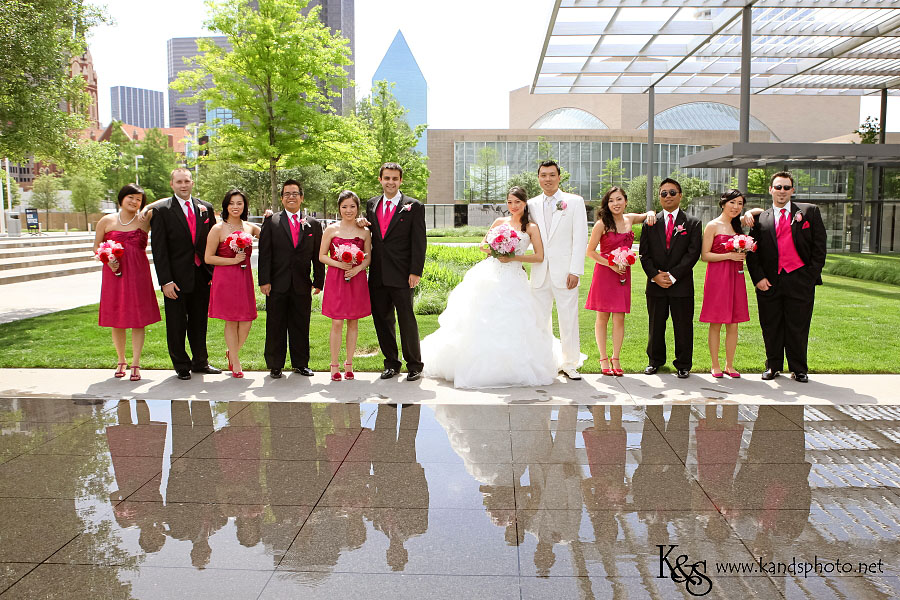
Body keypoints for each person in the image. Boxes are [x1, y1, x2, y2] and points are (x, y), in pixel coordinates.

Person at [422, 186, 560, 388]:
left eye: (517, 202)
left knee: (515, 321)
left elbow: (539, 256)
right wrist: (496, 249)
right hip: (490, 274)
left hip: (514, 277)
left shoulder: (531, 227)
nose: (513, 206)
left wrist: (513, 257)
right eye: (510, 202)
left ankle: (511, 368)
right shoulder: (499, 222)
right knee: (479, 318)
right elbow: (482, 245)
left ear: (525, 203)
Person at [745, 172, 827, 383]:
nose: (782, 191)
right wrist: (758, 278)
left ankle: (799, 369)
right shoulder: (760, 219)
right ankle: (772, 366)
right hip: (769, 282)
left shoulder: (809, 212)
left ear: (792, 190)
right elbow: (752, 252)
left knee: (798, 326)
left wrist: (810, 277)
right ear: (771, 190)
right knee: (770, 325)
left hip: (800, 280)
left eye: (786, 187)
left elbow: (819, 247)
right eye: (778, 187)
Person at [147, 168, 221, 380]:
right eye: (179, 181)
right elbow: (159, 250)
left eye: (187, 181)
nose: (183, 185)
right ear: (172, 184)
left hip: (202, 276)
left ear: (192, 183)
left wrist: (212, 274)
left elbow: (212, 243)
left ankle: (200, 362)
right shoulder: (162, 210)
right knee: (176, 324)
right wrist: (166, 281)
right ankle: (181, 365)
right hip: (175, 279)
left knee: (199, 323)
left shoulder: (205, 208)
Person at [363, 162, 426, 381]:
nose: (391, 182)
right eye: (387, 178)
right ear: (380, 180)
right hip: (378, 273)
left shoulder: (414, 206)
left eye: (395, 178)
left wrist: (415, 271)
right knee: (382, 320)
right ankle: (391, 363)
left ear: (400, 180)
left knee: (407, 320)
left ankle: (414, 365)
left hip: (402, 274)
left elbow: (419, 241)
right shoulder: (371, 204)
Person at [527, 160, 589, 380]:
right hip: (539, 271)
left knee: (568, 319)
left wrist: (575, 271)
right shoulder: (531, 204)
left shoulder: (574, 202)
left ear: (559, 177)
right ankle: (543, 362)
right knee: (539, 320)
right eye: (543, 175)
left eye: (552, 175)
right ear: (538, 178)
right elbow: (526, 234)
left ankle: (570, 363)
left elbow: (580, 238)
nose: (548, 179)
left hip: (565, 272)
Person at [257, 179, 325, 379]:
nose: (291, 197)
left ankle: (301, 364)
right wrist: (264, 281)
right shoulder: (272, 222)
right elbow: (265, 254)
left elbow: (317, 255)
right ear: (282, 198)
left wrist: (318, 280)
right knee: (275, 324)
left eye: (295, 193)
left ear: (301, 197)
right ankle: (275, 365)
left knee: (301, 325)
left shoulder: (313, 224)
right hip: (276, 283)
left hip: (302, 283)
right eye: (287, 194)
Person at [585, 186, 655, 376]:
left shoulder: (629, 219)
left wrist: (650, 213)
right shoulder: (602, 224)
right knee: (602, 317)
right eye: (611, 200)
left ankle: (616, 358)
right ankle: (603, 358)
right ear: (607, 204)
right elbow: (590, 252)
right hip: (605, 272)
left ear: (625, 201)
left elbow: (647, 214)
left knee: (619, 317)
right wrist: (611, 264)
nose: (615, 203)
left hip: (623, 274)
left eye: (619, 199)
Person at [94, 183, 161, 381]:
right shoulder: (106, 220)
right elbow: (96, 246)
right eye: (130, 197)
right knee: (117, 319)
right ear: (121, 198)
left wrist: (147, 208)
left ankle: (136, 363)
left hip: (138, 274)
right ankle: (121, 360)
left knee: (138, 319)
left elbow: (168, 201)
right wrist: (107, 259)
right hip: (114, 274)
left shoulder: (144, 219)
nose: (134, 201)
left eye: (139, 199)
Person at [639, 177, 702, 378]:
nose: (668, 196)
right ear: (659, 197)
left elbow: (693, 253)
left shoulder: (692, 223)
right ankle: (654, 361)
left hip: (681, 284)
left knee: (683, 326)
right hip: (655, 284)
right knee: (655, 325)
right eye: (664, 193)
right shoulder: (650, 223)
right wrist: (655, 276)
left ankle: (683, 364)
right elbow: (644, 254)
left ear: (680, 195)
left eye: (672, 192)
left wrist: (673, 276)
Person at [204, 189, 260, 378]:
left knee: (246, 321)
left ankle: (232, 352)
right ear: (226, 206)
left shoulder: (250, 227)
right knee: (231, 320)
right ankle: (235, 361)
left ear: (245, 206)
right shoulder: (217, 229)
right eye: (231, 203)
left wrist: (270, 217)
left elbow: (271, 233)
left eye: (239, 203)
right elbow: (208, 257)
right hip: (225, 278)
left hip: (244, 278)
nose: (235, 207)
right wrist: (232, 260)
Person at [319, 190, 373, 381]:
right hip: (336, 278)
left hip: (356, 278)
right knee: (336, 322)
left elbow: (368, 258)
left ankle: (349, 364)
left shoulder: (364, 232)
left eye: (352, 206)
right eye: (344, 207)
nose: (348, 210)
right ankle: (334, 365)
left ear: (357, 208)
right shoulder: (331, 229)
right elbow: (322, 256)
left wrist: (358, 269)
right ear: (339, 208)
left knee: (353, 321)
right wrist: (339, 264)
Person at [699, 189, 753, 378]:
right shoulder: (712, 226)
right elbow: (705, 255)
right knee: (716, 322)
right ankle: (715, 365)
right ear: (723, 203)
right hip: (717, 278)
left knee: (734, 323)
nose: (736, 207)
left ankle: (730, 365)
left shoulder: (738, 226)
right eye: (732, 202)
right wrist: (729, 255)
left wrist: (749, 212)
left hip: (736, 277)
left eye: (740, 204)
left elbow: (761, 212)